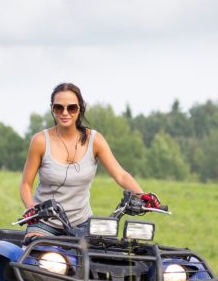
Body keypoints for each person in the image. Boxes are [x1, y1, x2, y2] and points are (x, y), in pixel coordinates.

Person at [19, 82, 160, 241]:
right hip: (44, 223)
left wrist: (143, 196)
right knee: (36, 254)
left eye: (71, 108)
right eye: (59, 108)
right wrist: (32, 209)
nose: (65, 113)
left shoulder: (95, 140)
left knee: (101, 258)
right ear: (52, 109)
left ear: (80, 109)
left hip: (83, 223)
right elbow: (26, 184)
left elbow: (120, 175)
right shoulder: (40, 141)